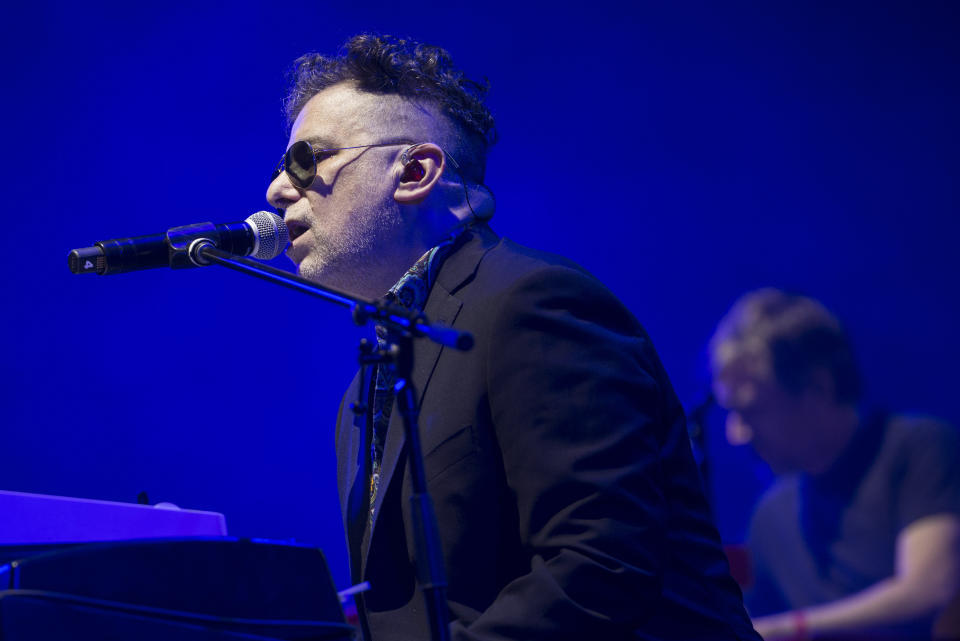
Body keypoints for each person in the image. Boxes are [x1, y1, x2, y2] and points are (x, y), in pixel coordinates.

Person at [266, 34, 758, 641]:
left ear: (416, 171)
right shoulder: (368, 382)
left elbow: (602, 564)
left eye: (306, 161)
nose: (278, 189)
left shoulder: (532, 303)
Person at [709, 288, 960, 640]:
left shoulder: (920, 447)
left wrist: (788, 630)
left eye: (753, 410)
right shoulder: (770, 514)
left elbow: (931, 591)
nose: (736, 434)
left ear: (819, 388)